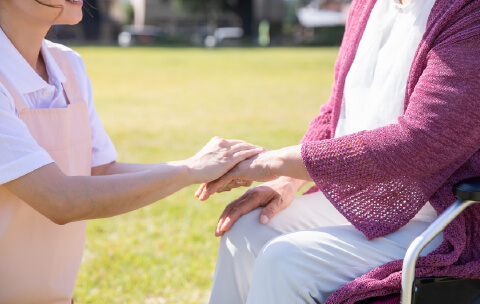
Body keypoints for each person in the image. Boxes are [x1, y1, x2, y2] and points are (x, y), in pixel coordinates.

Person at [197, 0, 480, 303]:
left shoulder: (467, 13)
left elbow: (420, 143)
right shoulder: (367, 4)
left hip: (440, 218)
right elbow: (336, 109)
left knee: (285, 262)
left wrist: (276, 163)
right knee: (245, 232)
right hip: (360, 200)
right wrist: (287, 182)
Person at [0, 1, 265, 303]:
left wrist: (197, 168)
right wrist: (189, 170)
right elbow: (59, 199)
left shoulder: (68, 65)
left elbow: (100, 171)